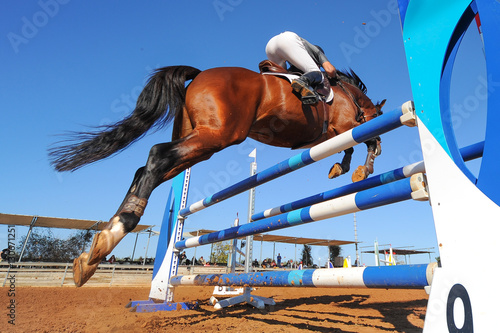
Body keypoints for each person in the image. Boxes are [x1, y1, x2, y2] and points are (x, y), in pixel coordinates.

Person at [266, 31, 337, 103]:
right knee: (319, 74)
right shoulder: (318, 52)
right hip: (287, 39)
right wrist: (335, 76)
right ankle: (302, 81)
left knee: (279, 77)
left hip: (270, 46)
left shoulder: (296, 57)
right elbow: (330, 70)